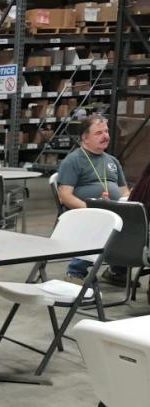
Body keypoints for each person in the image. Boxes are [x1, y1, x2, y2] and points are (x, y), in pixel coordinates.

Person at [57, 115, 131, 285]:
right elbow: (65, 195)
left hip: (114, 210)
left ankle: (117, 270)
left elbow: (124, 191)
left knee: (138, 222)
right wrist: (91, 209)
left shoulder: (112, 161)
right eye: (98, 133)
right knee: (103, 222)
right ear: (85, 137)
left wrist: (129, 203)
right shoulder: (74, 160)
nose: (105, 136)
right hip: (86, 212)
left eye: (106, 131)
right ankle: (75, 272)